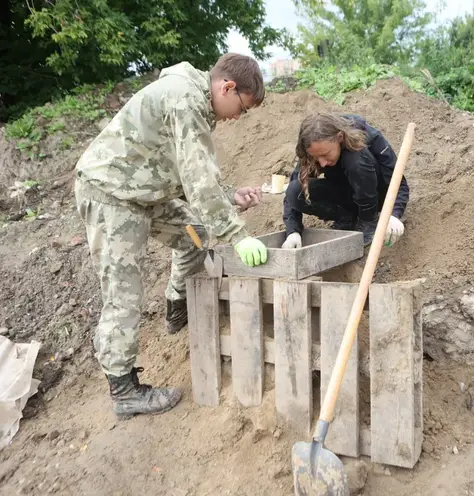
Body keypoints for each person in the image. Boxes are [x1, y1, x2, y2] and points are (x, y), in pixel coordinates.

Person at [74, 53, 269, 420]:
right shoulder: (185, 98)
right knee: (124, 293)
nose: (238, 117)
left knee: (194, 235)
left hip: (143, 193)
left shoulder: (191, 97)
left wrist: (230, 196)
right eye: (242, 107)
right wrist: (238, 235)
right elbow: (197, 181)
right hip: (112, 195)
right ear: (227, 87)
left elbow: (183, 171)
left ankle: (176, 304)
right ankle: (124, 389)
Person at [282, 113, 409, 248]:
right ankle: (348, 220)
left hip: (375, 196)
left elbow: (399, 183)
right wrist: (293, 231)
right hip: (346, 194)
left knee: (356, 160)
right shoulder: (315, 149)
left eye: (325, 155)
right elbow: (292, 191)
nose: (322, 163)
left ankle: (368, 221)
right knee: (295, 190)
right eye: (317, 157)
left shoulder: (368, 136)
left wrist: (394, 214)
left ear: (340, 137)